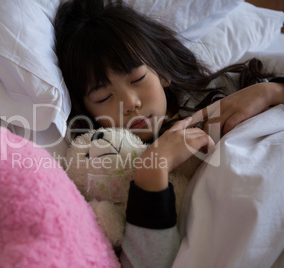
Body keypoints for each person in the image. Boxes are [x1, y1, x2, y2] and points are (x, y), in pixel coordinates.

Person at [54, 0, 284, 266]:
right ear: (88, 112)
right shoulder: (108, 172)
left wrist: (270, 92)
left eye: (137, 79)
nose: (130, 102)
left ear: (161, 71)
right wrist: (152, 172)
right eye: (104, 96)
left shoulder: (229, 87)